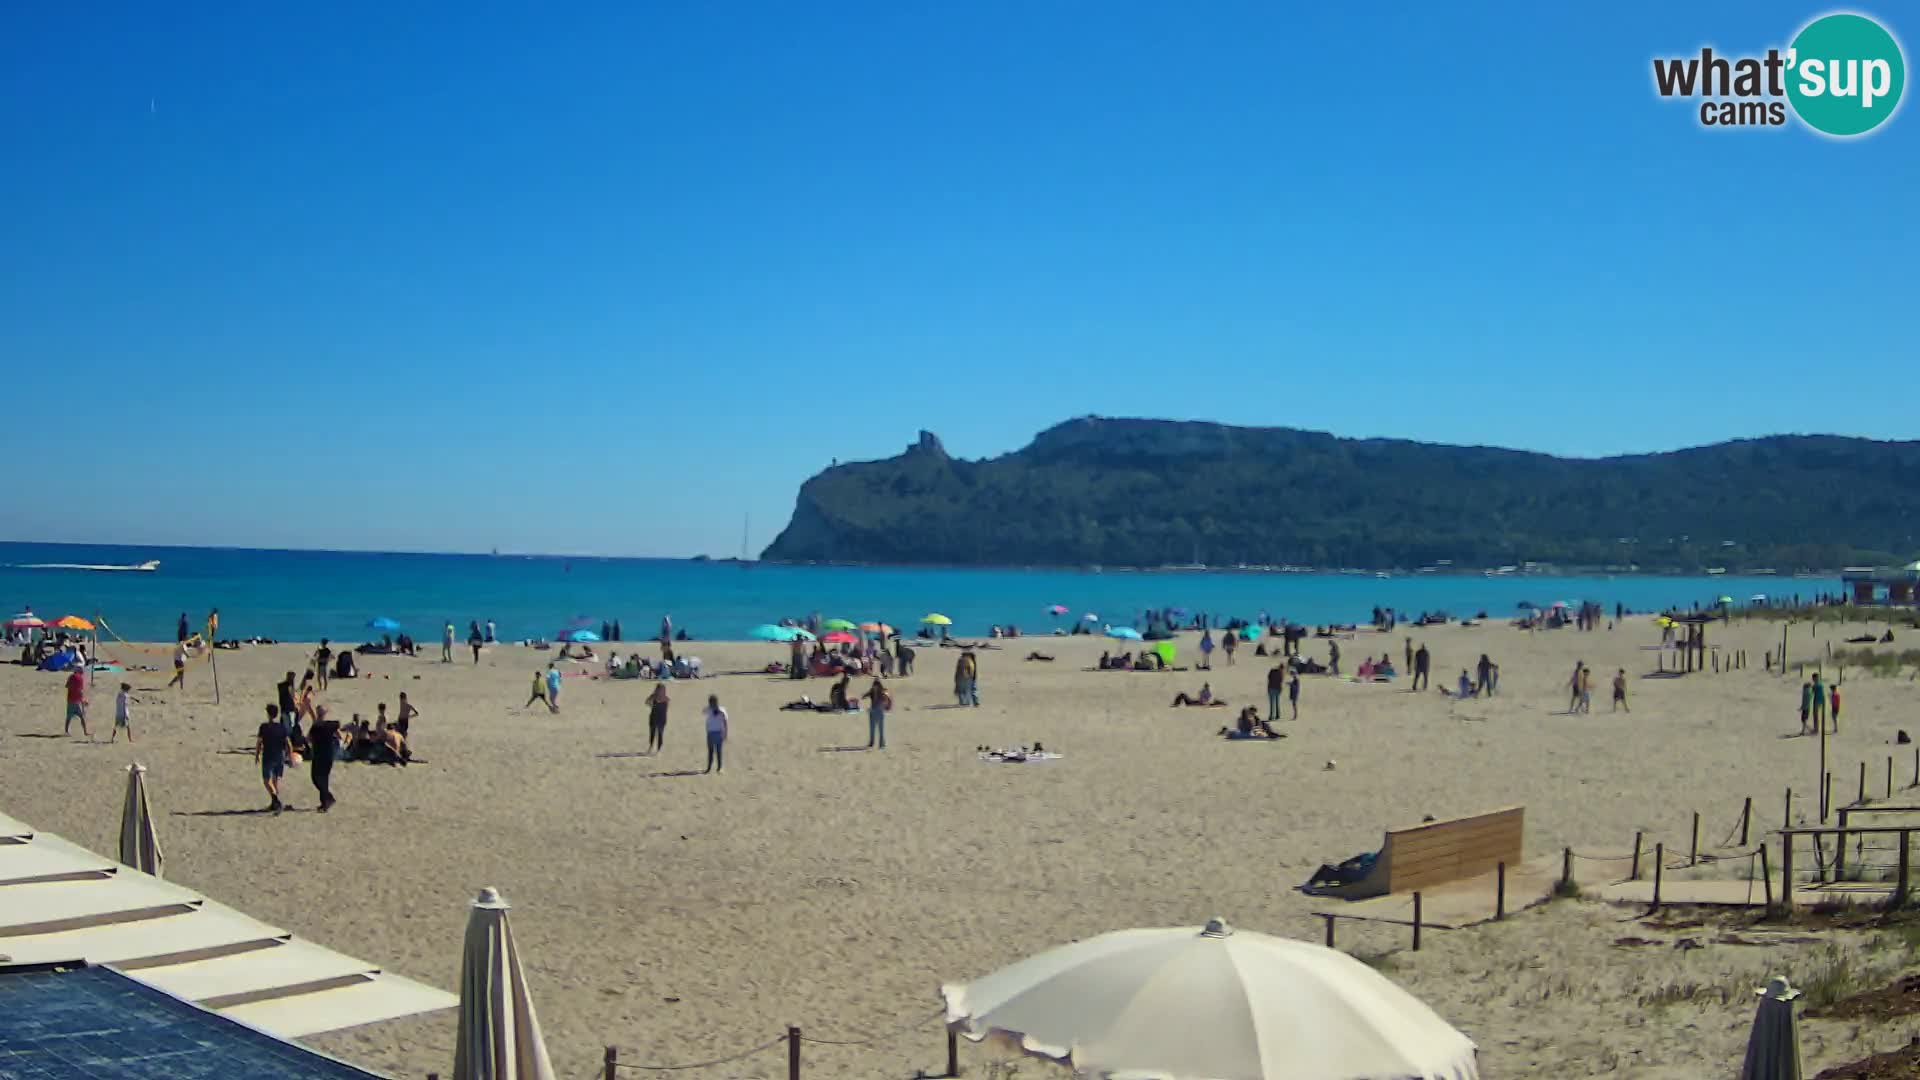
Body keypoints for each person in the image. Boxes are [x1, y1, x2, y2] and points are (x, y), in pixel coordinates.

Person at [256, 705, 289, 813]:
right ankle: (274, 803)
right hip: (280, 755)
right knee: (275, 780)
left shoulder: (264, 727)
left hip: (268, 755)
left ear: (268, 714)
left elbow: (259, 742)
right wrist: (290, 754)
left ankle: (276, 800)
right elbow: (288, 742)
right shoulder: (281, 727)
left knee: (266, 780)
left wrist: (257, 754)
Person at [309, 705, 342, 811]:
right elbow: (339, 735)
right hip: (328, 754)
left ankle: (327, 799)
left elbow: (308, 739)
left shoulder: (315, 726)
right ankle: (325, 801)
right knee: (324, 778)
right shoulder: (331, 725)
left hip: (319, 755)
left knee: (315, 777)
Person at [63, 665, 91, 739]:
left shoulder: (71, 677)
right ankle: (85, 731)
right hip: (77, 701)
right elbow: (80, 691)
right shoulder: (80, 679)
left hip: (70, 700)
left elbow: (66, 686)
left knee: (68, 717)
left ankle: (66, 731)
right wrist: (83, 701)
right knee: (82, 717)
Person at [863, 678, 892, 749]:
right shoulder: (883, 691)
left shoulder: (874, 690)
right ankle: (880, 744)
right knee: (880, 728)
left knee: (874, 728)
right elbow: (888, 699)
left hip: (875, 710)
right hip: (878, 711)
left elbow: (864, 696)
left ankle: (873, 743)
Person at [703, 694, 728, 773]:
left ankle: (716, 768)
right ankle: (712, 768)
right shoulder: (709, 710)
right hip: (712, 733)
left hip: (716, 733)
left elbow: (725, 722)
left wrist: (725, 733)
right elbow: (703, 711)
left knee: (717, 751)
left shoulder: (721, 711)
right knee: (713, 751)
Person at [646, 683, 669, 753]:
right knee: (652, 733)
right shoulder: (653, 696)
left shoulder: (666, 699)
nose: (662, 691)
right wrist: (651, 705)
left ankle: (659, 749)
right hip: (653, 717)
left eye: (663, 689)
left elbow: (666, 709)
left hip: (662, 718)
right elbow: (647, 702)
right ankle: (651, 746)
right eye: (660, 689)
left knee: (660, 734)